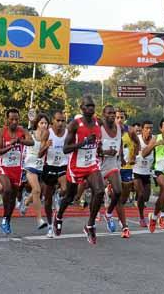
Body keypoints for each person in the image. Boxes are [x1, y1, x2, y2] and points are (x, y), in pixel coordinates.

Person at [54, 96, 105, 244]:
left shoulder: (98, 122)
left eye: (93, 106)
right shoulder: (74, 124)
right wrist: (83, 142)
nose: (91, 108)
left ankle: (90, 225)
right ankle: (59, 216)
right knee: (70, 197)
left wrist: (99, 148)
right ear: (82, 108)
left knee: (100, 191)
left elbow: (99, 140)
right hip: (76, 166)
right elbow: (65, 149)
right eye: (88, 106)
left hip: (91, 164)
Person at [0, 108, 34, 234]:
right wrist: (10, 146)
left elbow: (31, 142)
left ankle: (6, 219)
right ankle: (5, 216)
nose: (14, 121)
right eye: (11, 119)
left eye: (16, 119)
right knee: (7, 189)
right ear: (7, 119)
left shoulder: (21, 130)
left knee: (12, 198)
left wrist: (19, 140)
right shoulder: (2, 131)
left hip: (17, 169)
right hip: (4, 167)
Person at [100, 105, 131, 238]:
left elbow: (119, 144)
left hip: (113, 164)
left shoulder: (121, 129)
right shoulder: (99, 129)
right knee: (95, 193)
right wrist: (106, 152)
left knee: (118, 192)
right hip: (98, 164)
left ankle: (123, 226)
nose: (113, 116)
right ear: (104, 114)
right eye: (110, 113)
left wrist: (123, 156)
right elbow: (93, 148)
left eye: (115, 114)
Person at [42, 111, 69, 238]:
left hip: (63, 165)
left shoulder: (68, 133)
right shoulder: (48, 133)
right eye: (58, 120)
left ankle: (59, 195)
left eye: (62, 121)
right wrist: (46, 146)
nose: (60, 123)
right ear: (53, 121)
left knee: (65, 189)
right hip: (50, 166)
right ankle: (49, 225)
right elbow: (39, 154)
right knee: (47, 200)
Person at [23, 113, 50, 230]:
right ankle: (39, 220)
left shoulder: (47, 135)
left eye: (46, 123)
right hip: (30, 163)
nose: (44, 125)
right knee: (37, 190)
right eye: (41, 123)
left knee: (37, 191)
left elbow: (42, 153)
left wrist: (47, 146)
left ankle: (26, 201)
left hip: (41, 165)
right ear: (37, 123)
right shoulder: (30, 134)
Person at [133, 120, 154, 227]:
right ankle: (141, 217)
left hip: (147, 172)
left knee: (146, 197)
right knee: (140, 194)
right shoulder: (137, 139)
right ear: (142, 129)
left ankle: (139, 202)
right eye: (147, 128)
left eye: (151, 128)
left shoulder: (154, 139)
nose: (149, 130)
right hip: (136, 171)